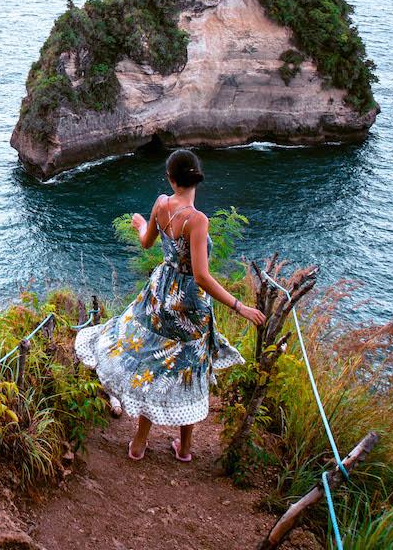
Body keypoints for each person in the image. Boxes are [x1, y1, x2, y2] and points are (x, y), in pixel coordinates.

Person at [75, 149, 266, 461]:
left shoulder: (161, 204)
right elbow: (202, 277)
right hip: (189, 304)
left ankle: (138, 443)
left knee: (154, 363)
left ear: (170, 178)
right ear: (197, 178)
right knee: (187, 368)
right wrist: (239, 306)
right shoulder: (198, 221)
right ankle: (186, 448)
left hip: (160, 294)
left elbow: (147, 241)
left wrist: (139, 223)